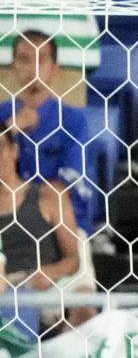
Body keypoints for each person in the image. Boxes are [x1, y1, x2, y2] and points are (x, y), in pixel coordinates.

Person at [0, 126, 83, 323]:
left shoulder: (48, 196)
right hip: (5, 290)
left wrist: (52, 272)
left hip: (47, 287)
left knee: (83, 306)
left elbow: (73, 259)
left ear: (14, 150)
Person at [0, 31, 85, 204]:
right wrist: (10, 128)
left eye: (41, 59)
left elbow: (71, 184)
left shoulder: (73, 121)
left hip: (61, 219)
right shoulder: (2, 114)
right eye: (24, 59)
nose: (33, 67)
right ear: (13, 67)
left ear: (55, 68)